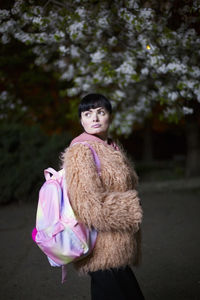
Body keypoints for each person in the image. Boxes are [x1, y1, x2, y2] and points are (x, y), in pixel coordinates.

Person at [62, 93, 145, 300]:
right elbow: (88, 205)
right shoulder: (81, 150)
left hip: (117, 245)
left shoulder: (110, 147)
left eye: (101, 112)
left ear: (110, 116)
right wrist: (131, 208)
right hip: (100, 247)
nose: (95, 118)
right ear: (81, 120)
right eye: (88, 114)